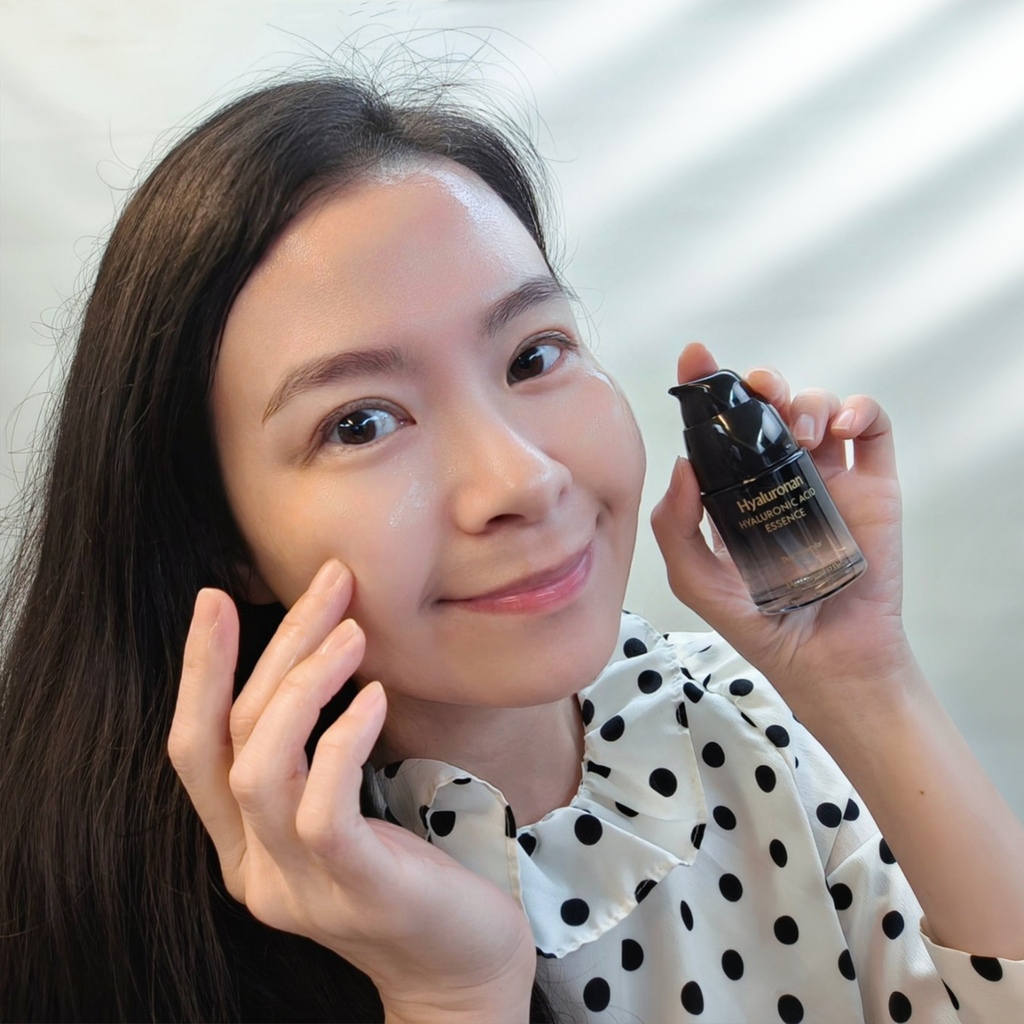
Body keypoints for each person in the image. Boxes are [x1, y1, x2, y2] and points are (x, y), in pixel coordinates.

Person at [1, 71, 1021, 1024]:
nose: (522, 480)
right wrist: (454, 992)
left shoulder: (727, 710)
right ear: (222, 537)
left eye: (533, 355)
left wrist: (865, 680)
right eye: (361, 422)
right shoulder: (101, 917)